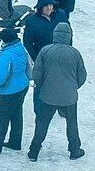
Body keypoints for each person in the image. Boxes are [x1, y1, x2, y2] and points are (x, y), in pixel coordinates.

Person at [28, 24, 87, 161]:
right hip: (69, 97)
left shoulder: (45, 51)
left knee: (42, 124)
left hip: (47, 96)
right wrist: (73, 87)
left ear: (55, 34)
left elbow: (36, 73)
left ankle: (34, 151)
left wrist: (43, 87)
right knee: (72, 123)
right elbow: (82, 75)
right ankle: (74, 150)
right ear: (69, 36)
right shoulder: (75, 53)